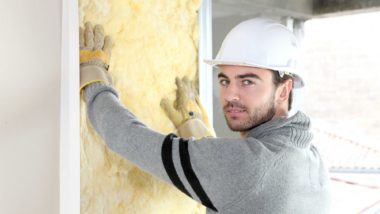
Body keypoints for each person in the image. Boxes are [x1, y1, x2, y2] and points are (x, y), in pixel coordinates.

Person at [79, 18, 331, 214]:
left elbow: (124, 136)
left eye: (247, 82)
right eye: (224, 80)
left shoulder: (251, 166)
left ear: (283, 90)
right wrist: (193, 125)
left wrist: (94, 77)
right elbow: (235, 183)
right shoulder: (312, 162)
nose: (230, 94)